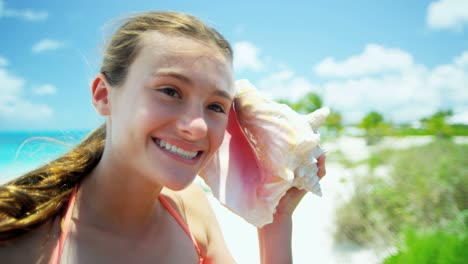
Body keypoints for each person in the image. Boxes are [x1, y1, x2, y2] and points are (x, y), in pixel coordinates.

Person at [0, 11, 326, 263]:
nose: (197, 127)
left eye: (216, 105)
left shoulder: (190, 209)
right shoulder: (21, 245)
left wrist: (273, 220)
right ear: (103, 95)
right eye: (170, 91)